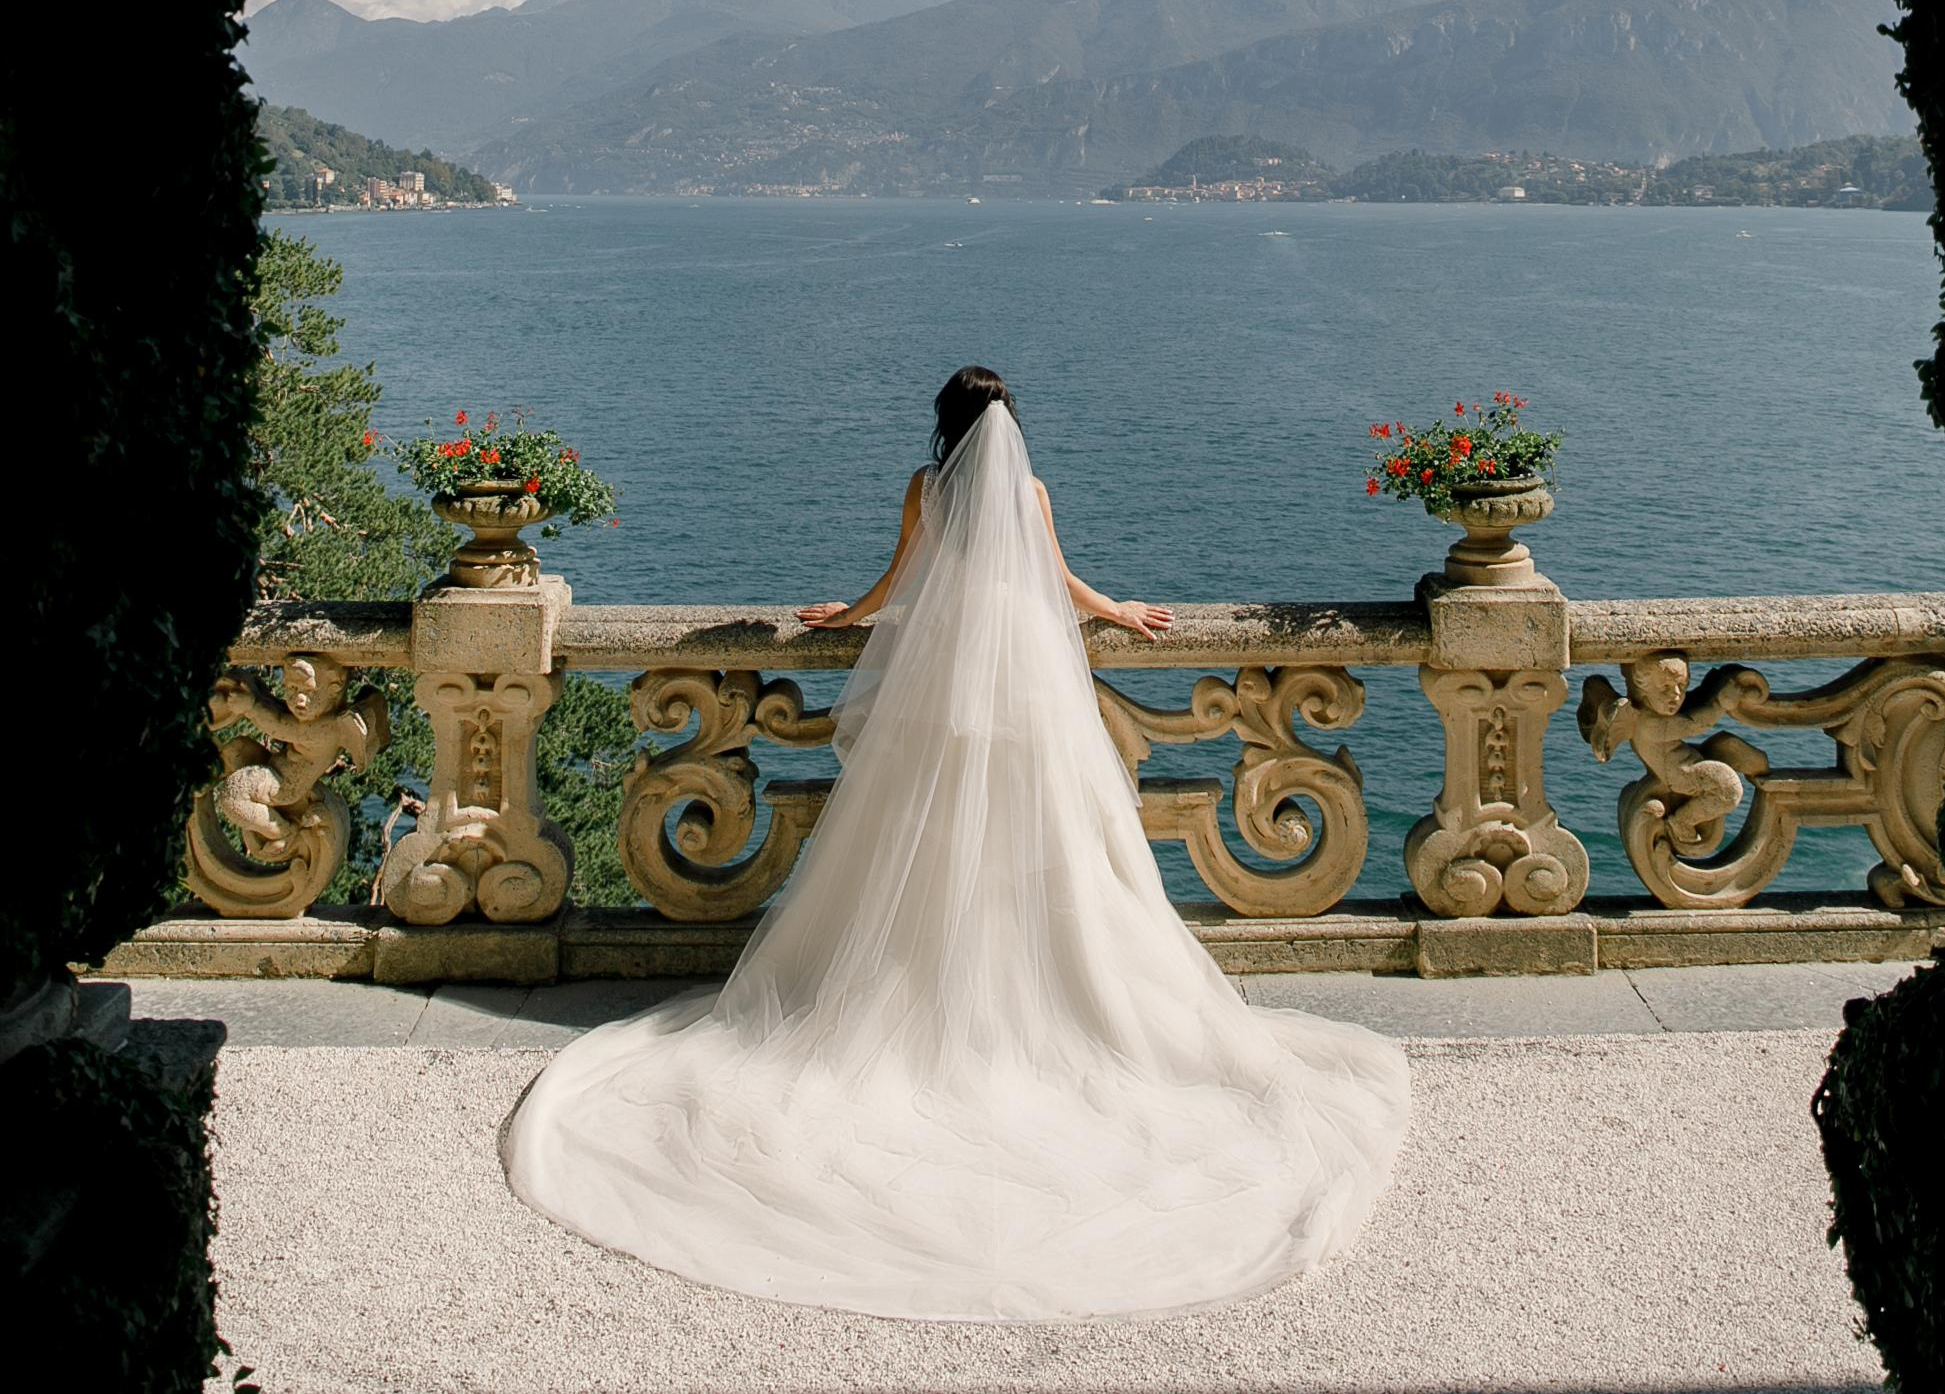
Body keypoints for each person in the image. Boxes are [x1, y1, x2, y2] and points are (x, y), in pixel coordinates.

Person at [504, 366, 1408, 1321]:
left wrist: (845, 618)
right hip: (1023, 669)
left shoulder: (926, 488)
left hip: (947, 678)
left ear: (947, 424)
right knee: (1037, 837)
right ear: (1008, 424)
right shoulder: (1029, 490)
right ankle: (1023, 982)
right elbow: (1055, 575)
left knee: (929, 835)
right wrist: (1117, 612)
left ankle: (942, 980)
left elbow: (899, 581)